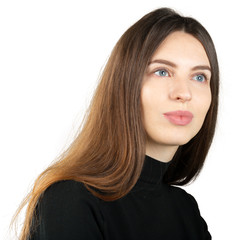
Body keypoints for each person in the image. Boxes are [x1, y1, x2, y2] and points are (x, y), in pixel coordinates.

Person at [14, 7, 219, 240]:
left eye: (199, 77)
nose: (184, 93)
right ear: (125, 84)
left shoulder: (185, 209)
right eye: (162, 72)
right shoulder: (71, 199)